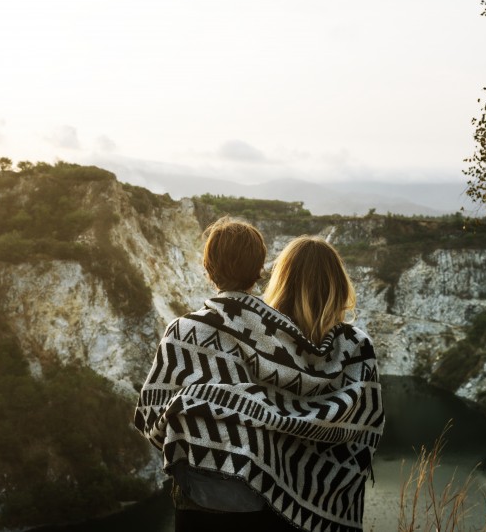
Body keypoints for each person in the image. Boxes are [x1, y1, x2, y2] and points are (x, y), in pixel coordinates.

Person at [134, 220, 384, 532]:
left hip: (205, 493)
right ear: (260, 270)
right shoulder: (337, 346)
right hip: (278, 501)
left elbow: (152, 418)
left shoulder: (202, 334)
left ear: (207, 267)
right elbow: (363, 426)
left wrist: (194, 433)